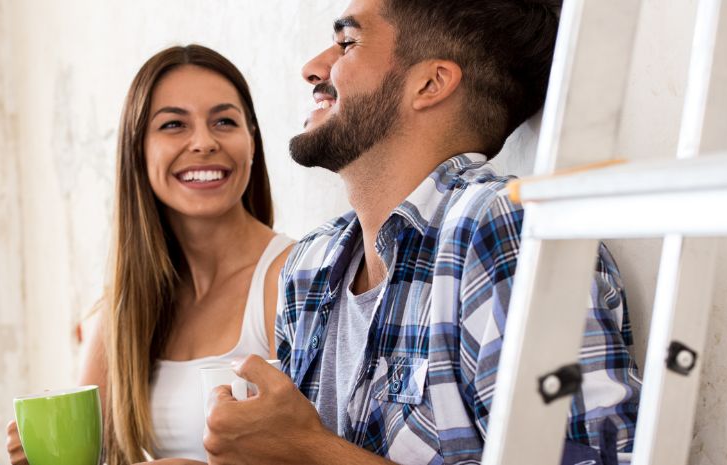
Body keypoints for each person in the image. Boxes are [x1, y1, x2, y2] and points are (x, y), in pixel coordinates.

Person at [198, 0, 641, 464]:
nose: (313, 69)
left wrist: (310, 450)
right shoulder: (310, 265)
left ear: (430, 83)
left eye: (347, 43)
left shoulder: (503, 233)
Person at [0, 44, 291, 465]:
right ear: (138, 149)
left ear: (252, 140)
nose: (204, 142)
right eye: (174, 125)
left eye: (225, 121)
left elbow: (312, 448)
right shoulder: (126, 305)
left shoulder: (289, 278)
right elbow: (91, 458)